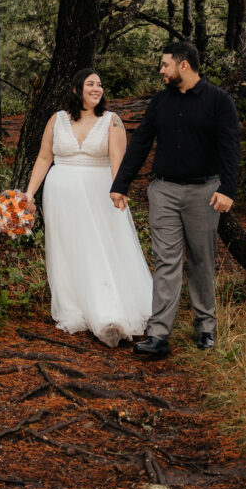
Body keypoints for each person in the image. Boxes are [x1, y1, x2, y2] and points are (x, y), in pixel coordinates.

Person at [111, 42, 239, 358]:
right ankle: (158, 336)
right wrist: (121, 184)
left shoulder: (218, 101)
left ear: (183, 66)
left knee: (200, 261)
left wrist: (228, 190)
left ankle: (206, 328)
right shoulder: (160, 101)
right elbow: (141, 141)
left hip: (203, 192)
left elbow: (230, 148)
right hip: (164, 191)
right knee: (166, 261)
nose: (161, 70)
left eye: (165, 64)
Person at [23, 69, 152, 347]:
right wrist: (30, 194)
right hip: (61, 197)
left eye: (100, 85)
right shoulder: (57, 120)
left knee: (99, 247)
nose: (97, 88)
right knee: (69, 248)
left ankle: (109, 311)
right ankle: (75, 306)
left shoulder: (111, 121)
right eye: (90, 84)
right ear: (75, 89)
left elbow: (118, 159)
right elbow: (45, 157)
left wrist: (120, 190)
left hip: (99, 193)